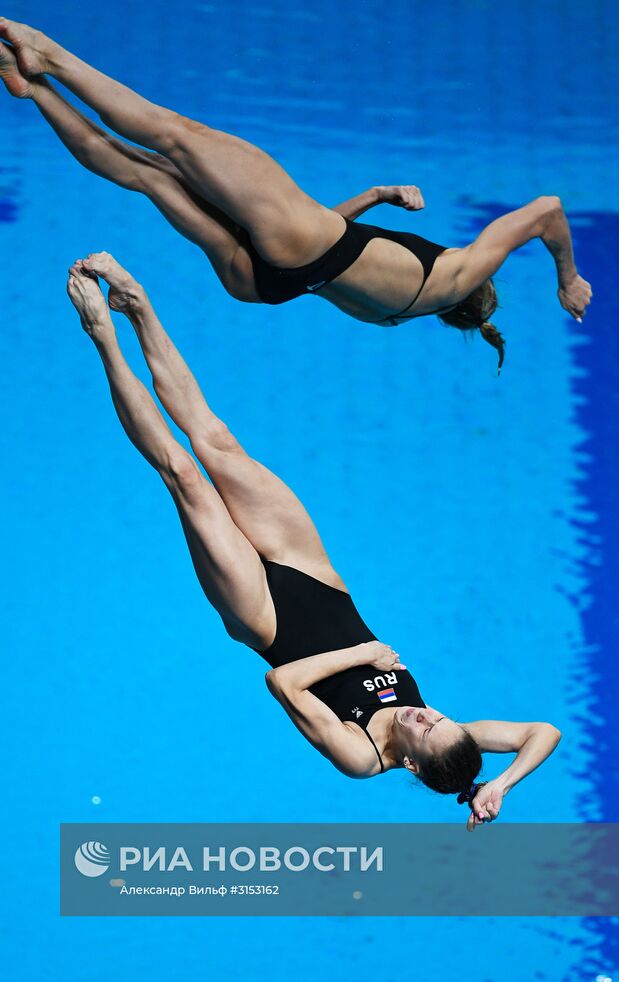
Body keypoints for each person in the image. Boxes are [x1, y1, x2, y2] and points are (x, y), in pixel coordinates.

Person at [63, 250, 562, 829]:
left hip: (265, 619)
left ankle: (101, 332)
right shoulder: (454, 738)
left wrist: (363, 655)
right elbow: (542, 732)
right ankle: (138, 305)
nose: (428, 717)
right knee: (217, 441)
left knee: (182, 476)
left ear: (417, 768)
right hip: (318, 580)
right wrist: (498, 785)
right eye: (441, 718)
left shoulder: (363, 757)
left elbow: (283, 681)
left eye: (427, 730)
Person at [0, 17, 592, 373]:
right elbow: (332, 248)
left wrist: (565, 277)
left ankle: (50, 59)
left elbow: (547, 211)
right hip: (267, 282)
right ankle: (35, 92)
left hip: (296, 253)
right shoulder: (396, 313)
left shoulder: (459, 274)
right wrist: (373, 196)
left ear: (476, 289)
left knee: (176, 138)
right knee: (145, 173)